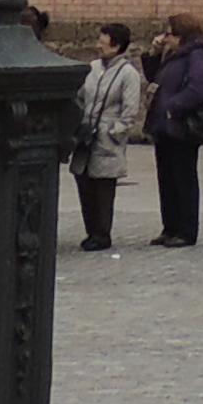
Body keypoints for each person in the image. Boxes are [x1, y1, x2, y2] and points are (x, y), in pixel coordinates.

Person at [144, 9, 203, 247]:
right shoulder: (174, 55)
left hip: (181, 126)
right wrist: (153, 54)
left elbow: (198, 88)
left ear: (182, 35)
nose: (164, 38)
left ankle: (186, 230)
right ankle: (170, 227)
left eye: (168, 34)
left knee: (183, 178)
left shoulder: (196, 56)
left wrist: (173, 107)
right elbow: (153, 77)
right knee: (166, 178)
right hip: (164, 128)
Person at [74, 21, 144, 253]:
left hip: (106, 140)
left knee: (103, 188)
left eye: (103, 43)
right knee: (84, 184)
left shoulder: (128, 74)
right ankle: (90, 230)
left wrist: (112, 131)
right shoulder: (92, 68)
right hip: (86, 137)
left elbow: (130, 112)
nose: (98, 46)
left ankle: (102, 233)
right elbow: (81, 97)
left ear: (116, 47)